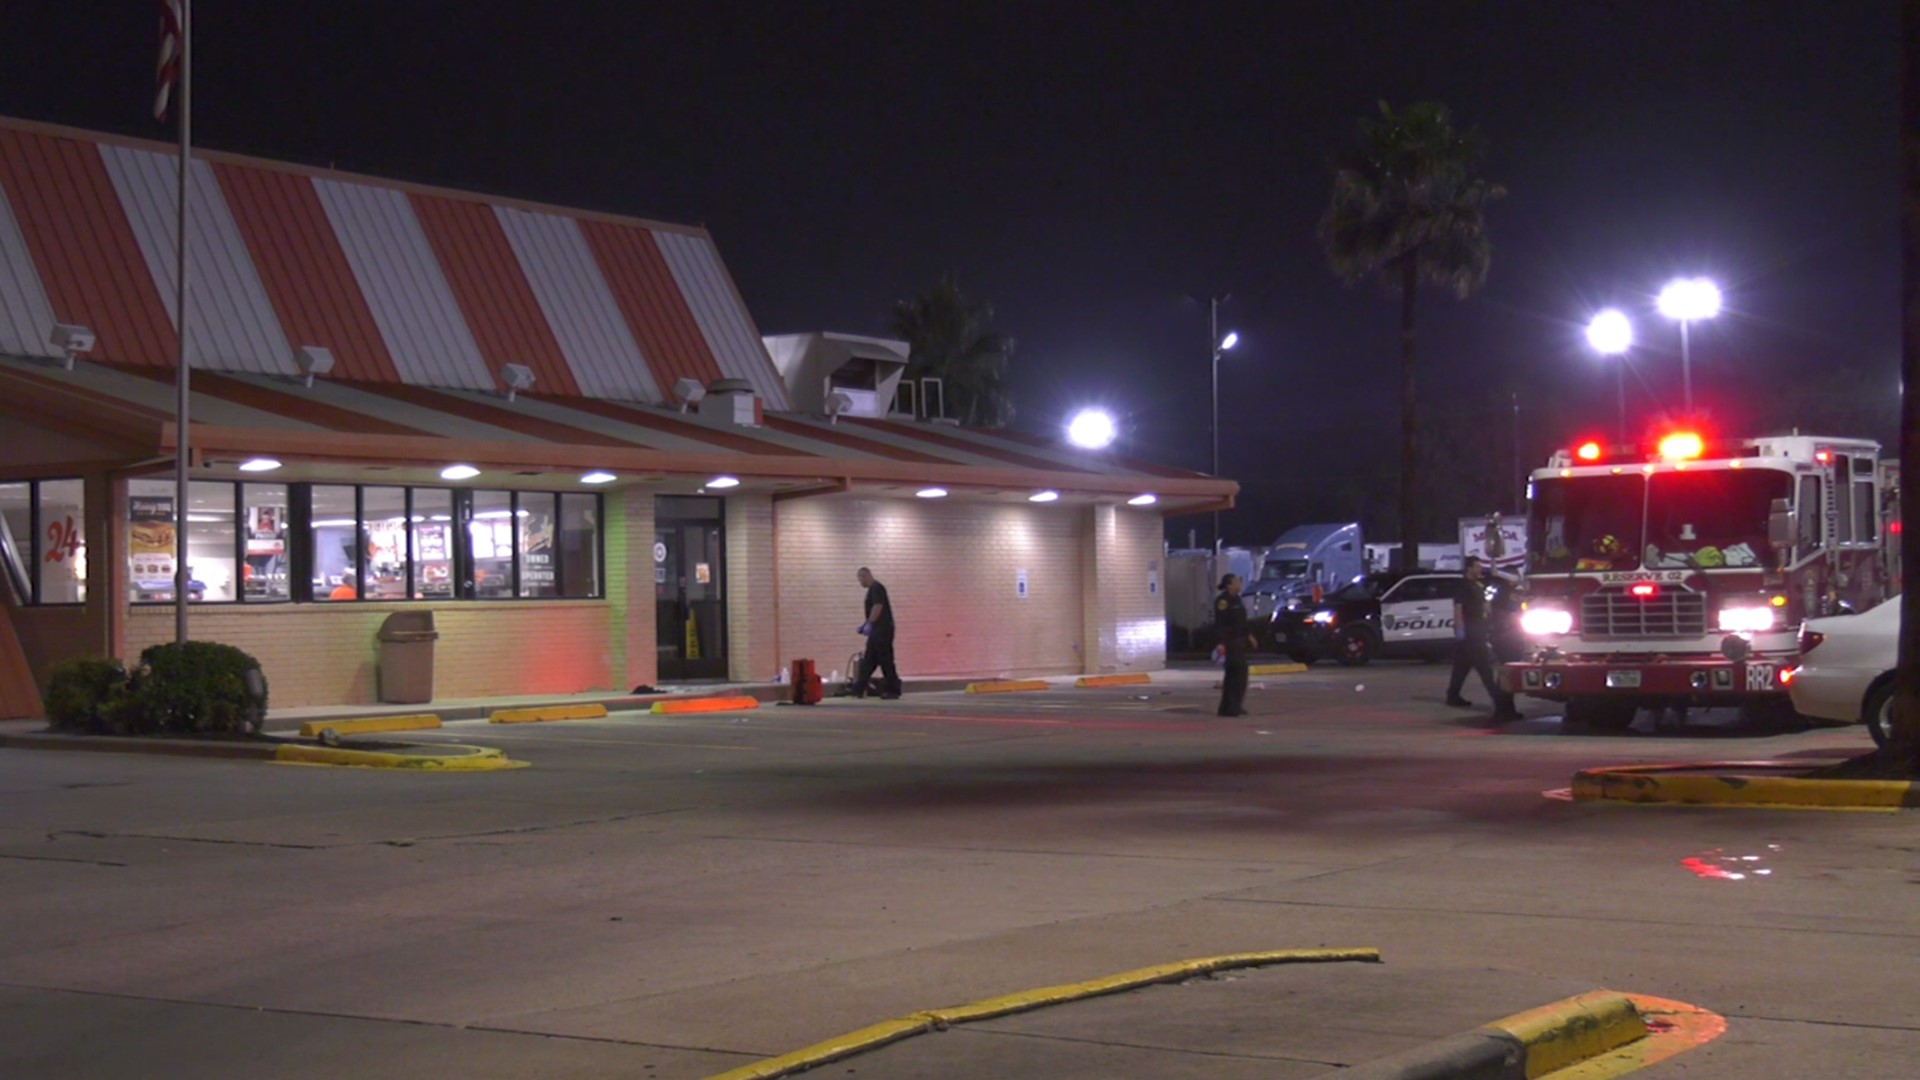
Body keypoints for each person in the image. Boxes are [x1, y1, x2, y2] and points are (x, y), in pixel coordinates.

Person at [1446, 556, 1516, 720]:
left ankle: (1453, 695)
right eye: (1477, 566)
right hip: (1471, 631)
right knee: (1484, 667)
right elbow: (1458, 608)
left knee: (1461, 666)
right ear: (1469, 568)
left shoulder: (1477, 584)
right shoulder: (1463, 586)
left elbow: (1486, 601)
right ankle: (1499, 702)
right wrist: (1460, 629)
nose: (1479, 569)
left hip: (1478, 628)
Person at [853, 567, 901, 700]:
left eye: (861, 579)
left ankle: (893, 689)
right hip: (877, 630)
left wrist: (869, 622)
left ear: (866, 576)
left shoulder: (876, 588)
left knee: (885, 659)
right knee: (869, 660)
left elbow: (877, 606)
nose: (860, 583)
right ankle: (858, 688)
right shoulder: (872, 589)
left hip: (882, 630)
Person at [1213, 573, 1256, 716]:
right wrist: (1220, 643)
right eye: (1236, 582)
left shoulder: (1237, 599)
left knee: (1236, 674)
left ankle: (1232, 706)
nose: (1239, 584)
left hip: (1240, 641)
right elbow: (1220, 624)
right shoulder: (1223, 601)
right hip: (1230, 642)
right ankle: (1231, 707)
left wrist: (1249, 636)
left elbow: (1242, 621)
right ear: (1229, 585)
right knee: (1236, 674)